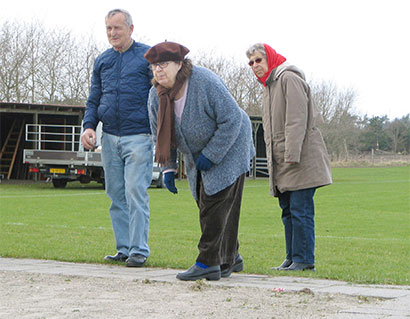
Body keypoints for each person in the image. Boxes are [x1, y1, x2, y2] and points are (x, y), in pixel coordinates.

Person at [145, 41, 255, 281]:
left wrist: (212, 154)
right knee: (210, 203)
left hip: (232, 144)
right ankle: (230, 257)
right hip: (197, 153)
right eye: (154, 66)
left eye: (163, 64)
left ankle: (208, 263)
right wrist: (168, 168)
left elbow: (232, 120)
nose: (158, 70)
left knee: (214, 203)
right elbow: (161, 135)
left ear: (179, 64)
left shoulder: (205, 82)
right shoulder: (156, 97)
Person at [246, 43, 332, 271]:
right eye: (251, 62)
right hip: (282, 161)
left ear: (270, 59)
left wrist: (291, 155)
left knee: (300, 209)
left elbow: (296, 119)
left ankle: (304, 260)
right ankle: (292, 257)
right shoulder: (268, 87)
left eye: (258, 60)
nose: (254, 66)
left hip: (299, 159)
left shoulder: (288, 79)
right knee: (287, 210)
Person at [81, 9, 153, 267]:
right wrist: (89, 126)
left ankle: (139, 251)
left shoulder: (147, 57)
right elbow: (94, 98)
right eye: (109, 28)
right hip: (109, 137)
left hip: (139, 136)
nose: (112, 33)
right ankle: (123, 248)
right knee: (116, 193)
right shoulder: (102, 61)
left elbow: (159, 96)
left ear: (131, 29)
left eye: (117, 28)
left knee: (135, 191)